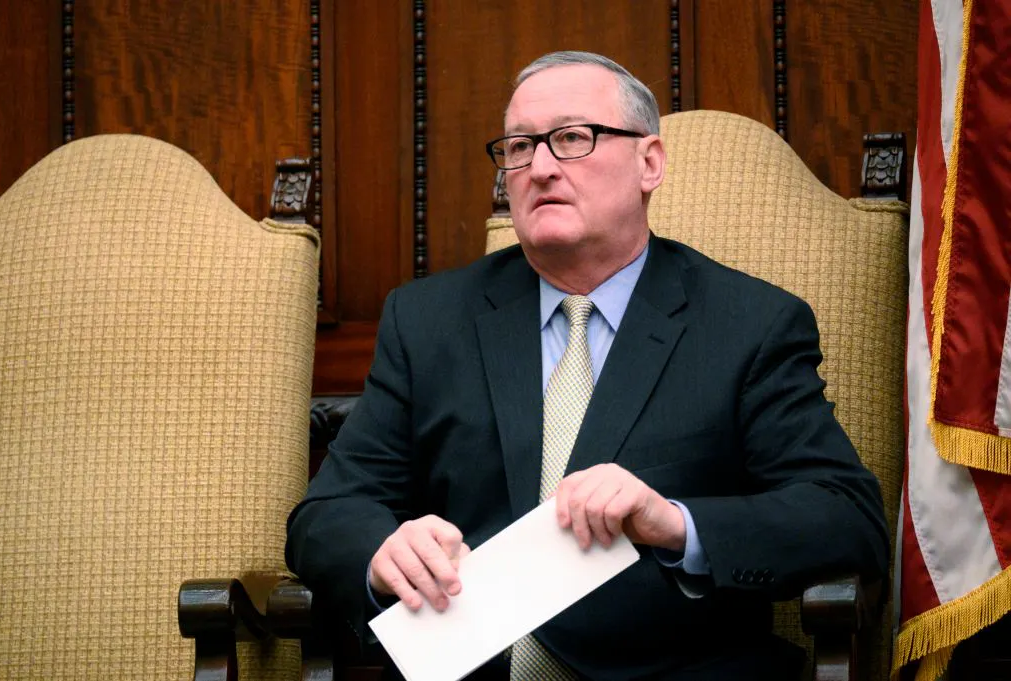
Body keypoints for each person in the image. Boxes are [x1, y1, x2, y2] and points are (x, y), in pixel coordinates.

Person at [286, 51, 888, 681]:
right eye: (521, 146)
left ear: (649, 162)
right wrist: (382, 553)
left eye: (573, 138)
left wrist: (675, 523)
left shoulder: (749, 325)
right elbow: (327, 513)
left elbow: (845, 517)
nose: (541, 167)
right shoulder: (428, 320)